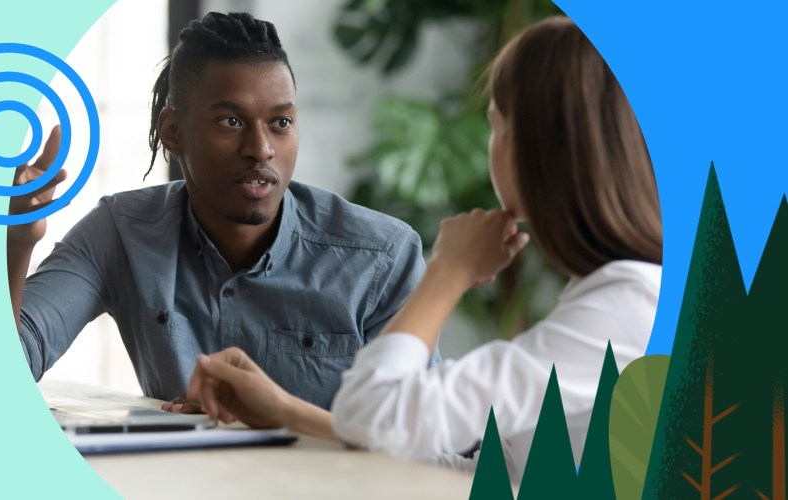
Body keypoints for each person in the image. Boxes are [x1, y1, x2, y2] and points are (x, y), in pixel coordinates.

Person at [175, 16, 662, 482]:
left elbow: (375, 412)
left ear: (539, 146)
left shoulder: (624, 310)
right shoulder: (610, 297)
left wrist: (449, 269)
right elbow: (492, 474)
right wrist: (283, 411)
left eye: (497, 127)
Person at [8, 12, 430, 409]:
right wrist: (16, 241)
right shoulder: (121, 233)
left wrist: (280, 418)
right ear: (173, 132)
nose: (260, 149)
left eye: (280, 123)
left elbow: (420, 439)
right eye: (231, 121)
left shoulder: (381, 257)